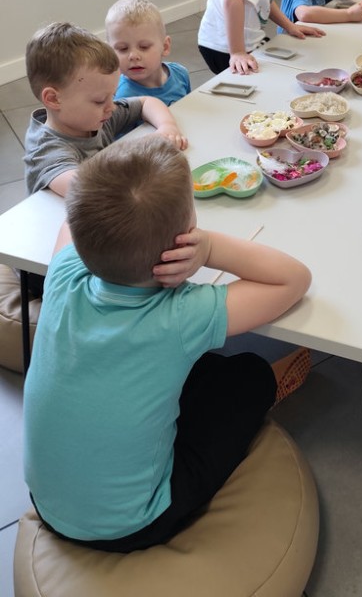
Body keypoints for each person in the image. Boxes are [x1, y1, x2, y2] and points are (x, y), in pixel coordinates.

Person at [23, 134, 312, 552]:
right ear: (183, 239)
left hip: (47, 500)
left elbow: (71, 224)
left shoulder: (65, 272)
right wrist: (209, 248)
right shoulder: (180, 315)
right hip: (132, 524)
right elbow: (294, 279)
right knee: (249, 373)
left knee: (186, 367)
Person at [24, 22, 188, 197]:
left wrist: (167, 126)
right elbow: (85, 188)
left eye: (113, 95)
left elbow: (146, 102)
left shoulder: (98, 116)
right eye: (100, 100)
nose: (112, 106)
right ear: (53, 99)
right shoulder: (46, 151)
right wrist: (139, 152)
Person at [105, 0, 191, 105]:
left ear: (165, 47)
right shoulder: (122, 98)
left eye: (144, 47)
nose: (133, 56)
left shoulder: (180, 74)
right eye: (123, 48)